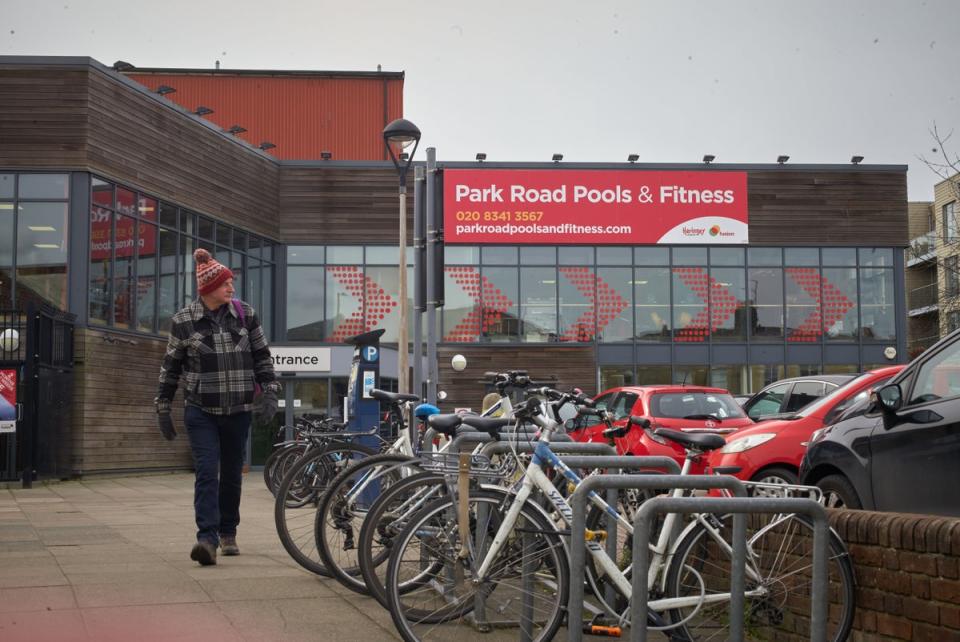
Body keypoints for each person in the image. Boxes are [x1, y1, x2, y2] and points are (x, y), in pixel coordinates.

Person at [154, 248, 279, 566]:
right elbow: (171, 367)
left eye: (231, 283)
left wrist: (270, 391)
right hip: (201, 411)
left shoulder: (246, 315)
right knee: (207, 473)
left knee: (232, 476)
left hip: (238, 411)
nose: (231, 288)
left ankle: (228, 533)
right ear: (208, 288)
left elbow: (262, 356)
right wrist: (163, 407)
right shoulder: (183, 321)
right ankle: (206, 540)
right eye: (226, 283)